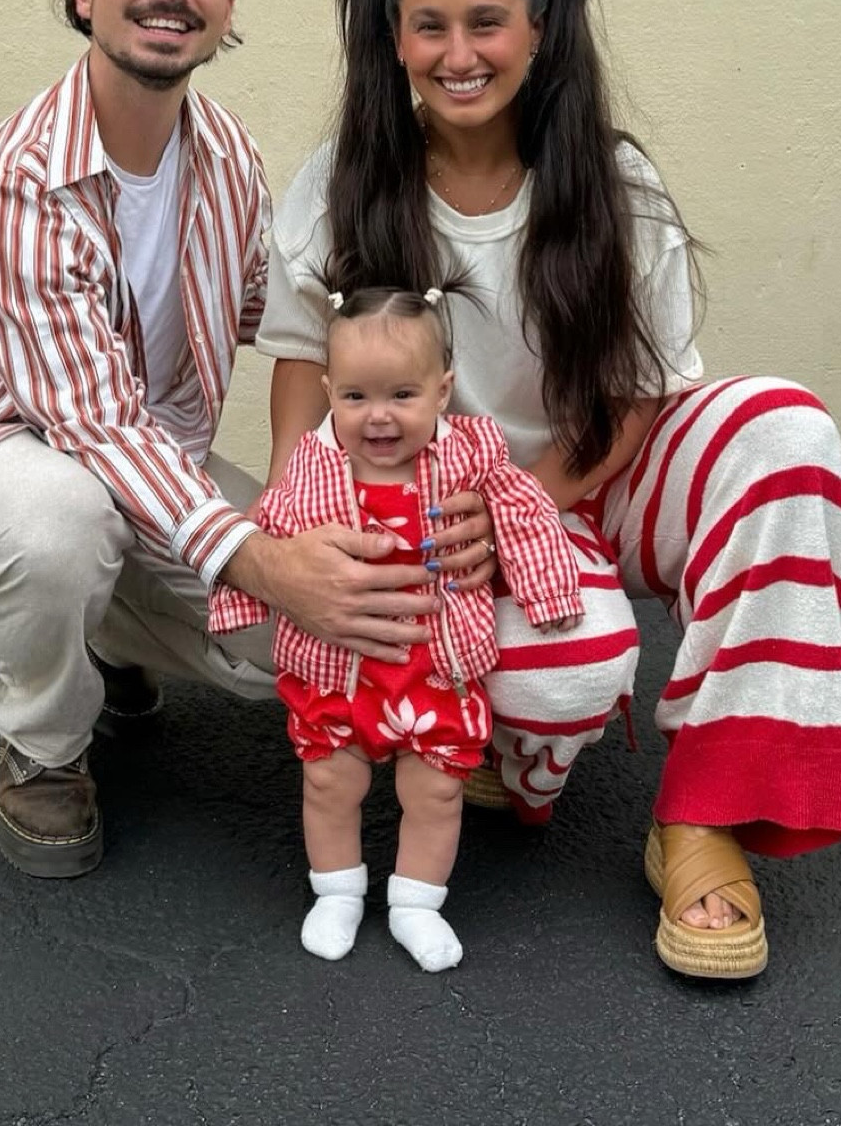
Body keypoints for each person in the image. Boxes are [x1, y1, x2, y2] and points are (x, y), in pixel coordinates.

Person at [256, 0, 841, 980]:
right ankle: (507, 755)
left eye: (486, 22)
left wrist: (522, 502)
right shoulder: (345, 177)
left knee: (788, 426)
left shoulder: (610, 180)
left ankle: (705, 817)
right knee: (563, 672)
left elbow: (639, 392)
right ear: (391, 38)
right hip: (434, 517)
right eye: (427, 25)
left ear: (539, 29)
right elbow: (304, 358)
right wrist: (287, 519)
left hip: (593, 474)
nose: (458, 54)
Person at [0, 0, 493, 879]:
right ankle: (45, 745)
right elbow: (96, 426)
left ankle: (111, 636)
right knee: (61, 524)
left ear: (226, 11)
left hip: (143, 470)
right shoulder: (16, 181)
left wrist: (415, 380)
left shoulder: (225, 155)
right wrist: (264, 558)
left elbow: (266, 314)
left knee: (301, 632)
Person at [210, 285, 583, 972]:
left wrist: (547, 592)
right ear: (328, 392)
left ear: (442, 392)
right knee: (328, 782)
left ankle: (417, 901)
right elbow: (271, 532)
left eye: (401, 396)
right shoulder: (312, 466)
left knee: (435, 789)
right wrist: (237, 609)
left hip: (433, 666)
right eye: (354, 398)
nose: (377, 417)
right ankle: (337, 890)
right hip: (336, 665)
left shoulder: (471, 455)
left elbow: (524, 512)